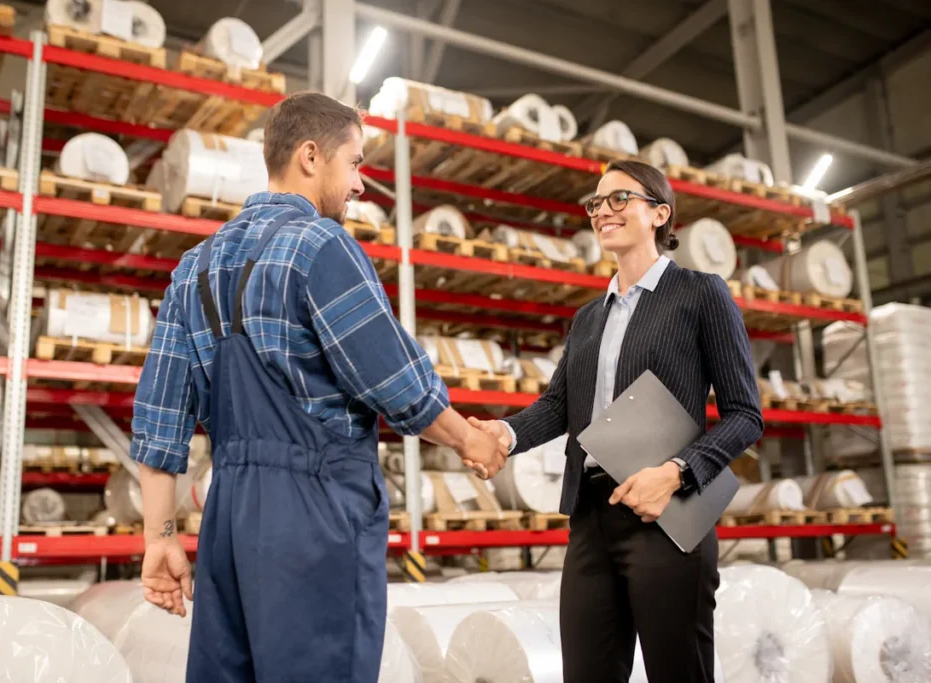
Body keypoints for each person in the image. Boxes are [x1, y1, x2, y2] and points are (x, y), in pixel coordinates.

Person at [130, 91, 507, 682]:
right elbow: (396, 383)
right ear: (311, 156)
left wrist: (160, 540)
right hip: (314, 515)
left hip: (227, 515)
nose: (360, 185)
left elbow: (159, 422)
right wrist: (470, 441)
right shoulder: (321, 247)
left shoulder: (193, 268)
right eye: (355, 163)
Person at [470, 159, 764, 683]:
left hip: (667, 515)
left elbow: (745, 415)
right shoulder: (588, 317)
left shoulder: (699, 293)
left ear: (660, 214)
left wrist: (676, 472)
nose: (602, 210)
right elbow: (559, 406)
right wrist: (506, 434)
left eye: (620, 198)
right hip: (592, 518)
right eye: (595, 203)